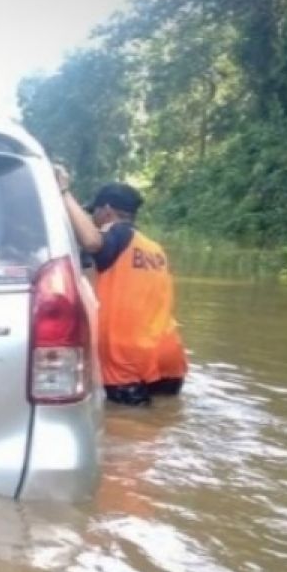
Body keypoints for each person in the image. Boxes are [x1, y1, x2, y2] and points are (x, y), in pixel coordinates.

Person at [55, 167, 188, 406]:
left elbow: (93, 242)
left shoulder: (117, 235)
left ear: (106, 211)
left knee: (131, 431)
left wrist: (64, 192)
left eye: (93, 213)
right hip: (167, 352)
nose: (92, 219)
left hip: (125, 358)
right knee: (164, 420)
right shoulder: (154, 248)